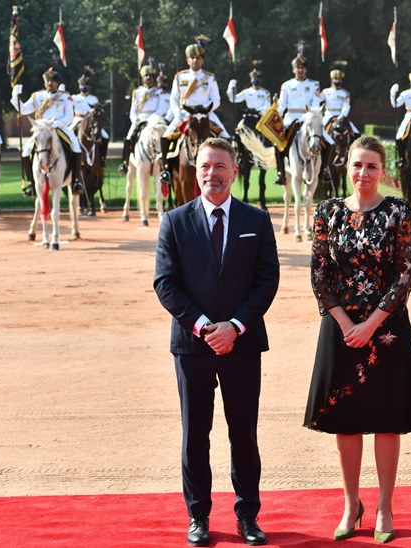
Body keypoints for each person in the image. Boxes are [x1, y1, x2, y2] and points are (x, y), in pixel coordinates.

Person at [154, 137, 280, 547]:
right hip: (193, 346)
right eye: (205, 166)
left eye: (220, 166)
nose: (212, 173)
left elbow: (267, 281)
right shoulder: (174, 221)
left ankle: (248, 516)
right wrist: (207, 327)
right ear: (197, 172)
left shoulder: (257, 220)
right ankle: (198, 516)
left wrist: (236, 327)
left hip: (242, 344)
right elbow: (165, 283)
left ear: (234, 172)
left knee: (244, 433)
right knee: (195, 435)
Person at [304, 135, 411, 543]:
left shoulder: (398, 212)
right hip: (340, 329)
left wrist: (371, 325)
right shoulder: (328, 211)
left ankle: (385, 507)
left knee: (387, 420)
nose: (364, 173)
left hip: (386, 328)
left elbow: (405, 275)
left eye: (372, 166)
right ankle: (350, 504)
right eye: (357, 165)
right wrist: (346, 324)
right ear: (347, 168)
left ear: (383, 170)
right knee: (347, 420)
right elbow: (319, 274)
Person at [160, 35, 230, 185]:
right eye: (192, 58)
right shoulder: (180, 77)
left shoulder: (209, 78)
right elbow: (174, 99)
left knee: (226, 135)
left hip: (206, 114)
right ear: (187, 60)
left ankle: (229, 168)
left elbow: (216, 99)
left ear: (202, 60)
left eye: (198, 58)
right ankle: (166, 170)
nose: (195, 60)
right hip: (185, 114)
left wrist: (205, 109)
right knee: (166, 136)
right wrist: (178, 114)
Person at [11, 65, 84, 197]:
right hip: (42, 130)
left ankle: (76, 182)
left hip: (59, 127)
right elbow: (24, 110)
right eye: (48, 81)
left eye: (53, 81)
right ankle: (32, 184)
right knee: (26, 151)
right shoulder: (37, 96)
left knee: (76, 147)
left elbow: (69, 117)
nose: (50, 83)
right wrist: (16, 97)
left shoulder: (65, 97)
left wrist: (54, 124)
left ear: (57, 82)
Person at [273, 47, 326, 186]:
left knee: (327, 140)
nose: (300, 70)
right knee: (278, 143)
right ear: (293, 70)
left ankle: (324, 171)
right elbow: (282, 105)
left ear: (306, 69)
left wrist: (308, 116)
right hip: (291, 118)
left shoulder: (314, 85)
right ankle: (280, 173)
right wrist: (277, 114)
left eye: (302, 68)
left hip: (309, 117)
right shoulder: (286, 85)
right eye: (298, 68)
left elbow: (316, 103)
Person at [118, 63, 168, 174]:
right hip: (140, 119)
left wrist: (153, 119)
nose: (148, 78)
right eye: (146, 76)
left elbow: (161, 108)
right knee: (129, 136)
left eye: (151, 76)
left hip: (155, 119)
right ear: (142, 78)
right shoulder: (137, 92)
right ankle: (124, 163)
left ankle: (166, 165)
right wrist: (135, 120)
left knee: (165, 135)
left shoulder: (159, 92)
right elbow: (133, 110)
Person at [69, 66, 109, 166]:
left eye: (85, 85)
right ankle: (69, 157)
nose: (83, 87)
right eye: (82, 85)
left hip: (90, 121)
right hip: (77, 120)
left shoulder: (94, 99)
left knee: (105, 136)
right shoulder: (74, 97)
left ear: (89, 87)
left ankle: (102, 158)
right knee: (68, 134)